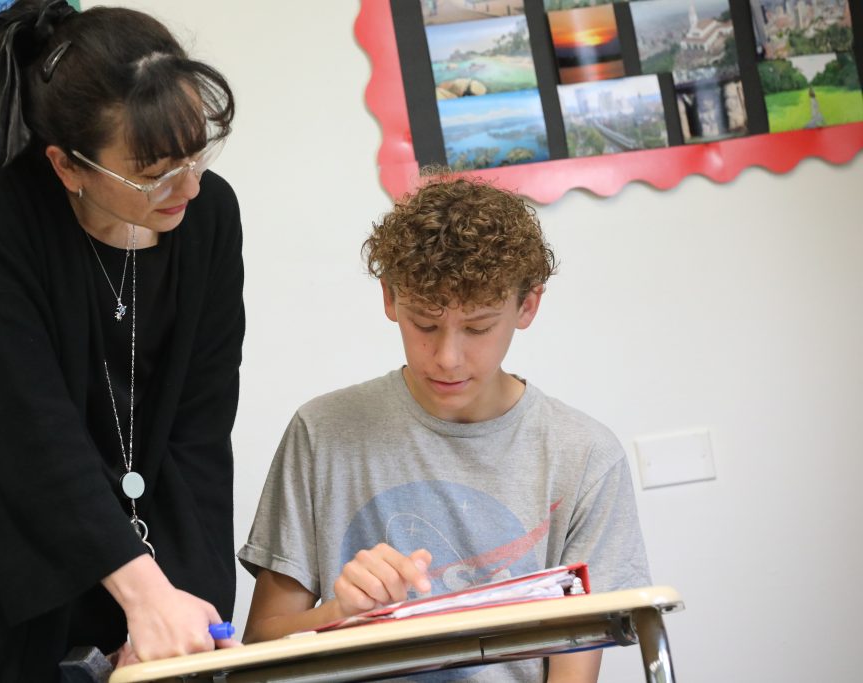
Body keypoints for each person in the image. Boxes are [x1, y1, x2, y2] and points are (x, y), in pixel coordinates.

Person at [0, 1, 244, 680]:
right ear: (68, 166)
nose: (190, 186)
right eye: (153, 173)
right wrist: (144, 591)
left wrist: (185, 610)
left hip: (112, 564)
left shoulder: (209, 217)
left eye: (196, 154)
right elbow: (21, 424)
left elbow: (198, 439)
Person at [238, 176, 650, 682]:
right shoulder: (322, 433)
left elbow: (574, 666)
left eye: (478, 327)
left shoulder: (583, 456)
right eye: (425, 325)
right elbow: (257, 652)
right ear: (390, 298)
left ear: (527, 306)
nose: (449, 358)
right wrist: (339, 614)